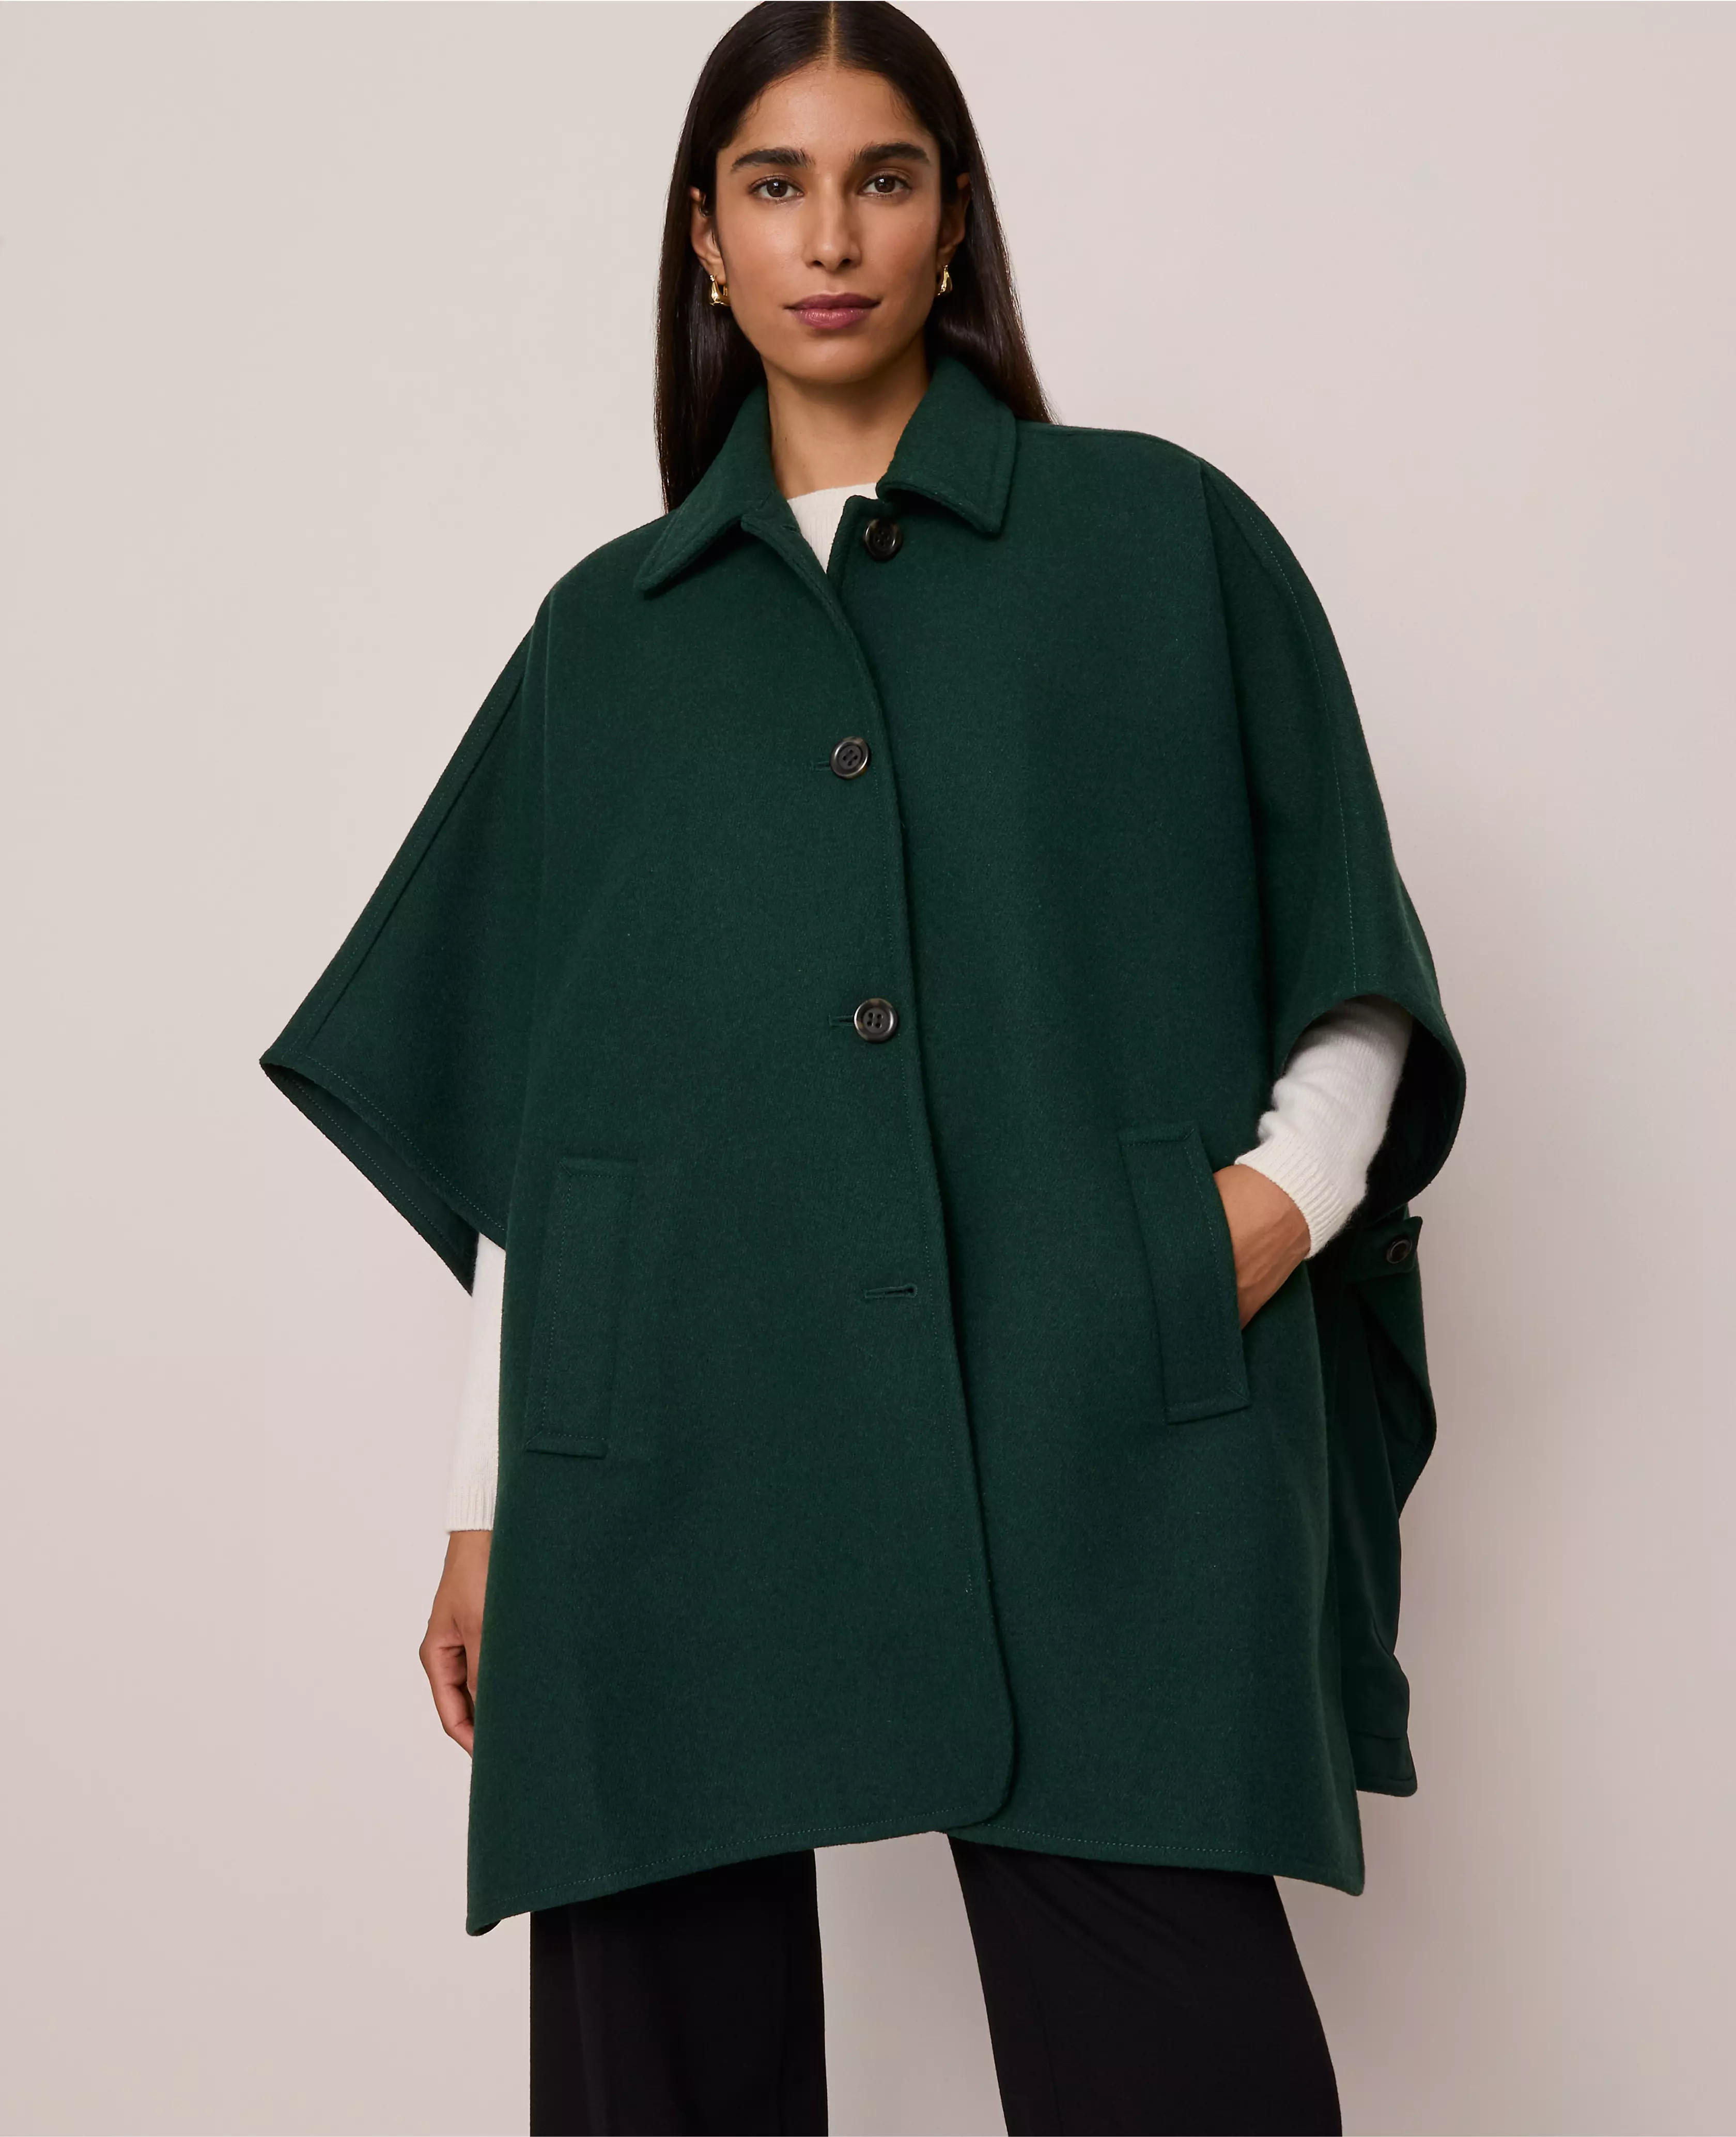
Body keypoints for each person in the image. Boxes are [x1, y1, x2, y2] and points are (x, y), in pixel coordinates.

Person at [261, 5, 1466, 2131]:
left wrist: (1260, 1219)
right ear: (705, 238)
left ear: (953, 220)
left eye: (883, 178)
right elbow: (550, 1124)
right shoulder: (612, 635)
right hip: (670, 1425)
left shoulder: (1157, 541)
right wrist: (486, 1506)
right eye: (776, 184)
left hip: (1099, 1390)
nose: (831, 236)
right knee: (659, 2050)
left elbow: (1347, 954)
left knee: (1177, 2052)